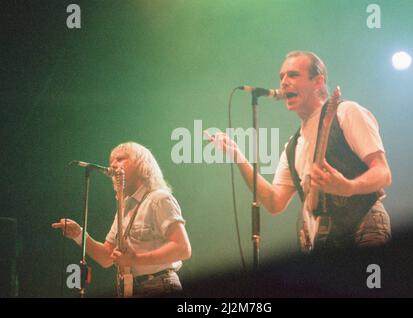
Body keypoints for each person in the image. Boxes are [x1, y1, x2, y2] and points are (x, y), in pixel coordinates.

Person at [209, 51, 391, 252]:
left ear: (318, 82)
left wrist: (350, 186)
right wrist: (238, 156)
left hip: (363, 227)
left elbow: (383, 173)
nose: (284, 82)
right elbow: (274, 202)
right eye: (281, 77)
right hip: (326, 242)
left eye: (293, 75)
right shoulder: (292, 146)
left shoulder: (345, 112)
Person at [52, 142, 191, 296]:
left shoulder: (159, 199)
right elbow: (106, 257)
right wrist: (78, 234)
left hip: (159, 285)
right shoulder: (124, 207)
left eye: (120, 159)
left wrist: (135, 259)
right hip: (130, 288)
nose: (113, 165)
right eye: (111, 161)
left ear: (142, 164)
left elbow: (182, 249)